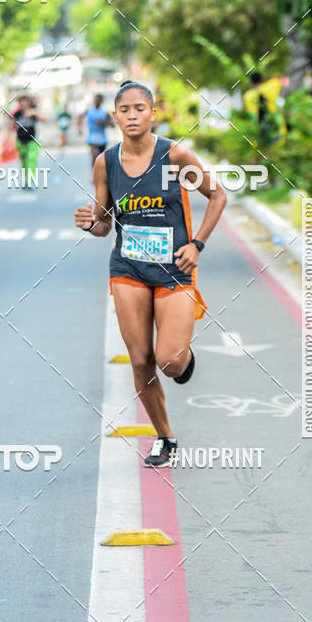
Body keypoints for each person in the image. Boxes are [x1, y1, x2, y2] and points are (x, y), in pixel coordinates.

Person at [74, 80, 227, 467]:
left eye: (139, 108)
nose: (132, 115)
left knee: (169, 361)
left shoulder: (175, 156)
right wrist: (88, 224)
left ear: (152, 113)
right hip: (128, 267)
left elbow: (217, 195)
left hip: (175, 267)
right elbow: (105, 224)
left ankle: (185, 360)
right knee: (140, 359)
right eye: (124, 110)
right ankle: (165, 437)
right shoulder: (105, 163)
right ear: (114, 117)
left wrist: (198, 245)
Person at [10, 95, 46, 189]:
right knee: (24, 163)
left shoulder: (34, 112)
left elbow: (44, 120)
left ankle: (31, 181)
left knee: (31, 160)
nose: (23, 103)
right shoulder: (18, 113)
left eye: (25, 101)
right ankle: (25, 180)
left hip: (32, 141)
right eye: (21, 101)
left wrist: (34, 114)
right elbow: (11, 125)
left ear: (29, 102)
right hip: (20, 141)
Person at [78, 93, 113, 176]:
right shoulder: (89, 110)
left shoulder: (105, 112)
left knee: (101, 158)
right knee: (95, 155)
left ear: (101, 101)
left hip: (102, 139)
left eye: (99, 100)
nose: (97, 101)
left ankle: (101, 173)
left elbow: (112, 124)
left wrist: (104, 123)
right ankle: (94, 174)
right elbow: (80, 117)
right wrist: (80, 128)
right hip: (92, 138)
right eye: (95, 99)